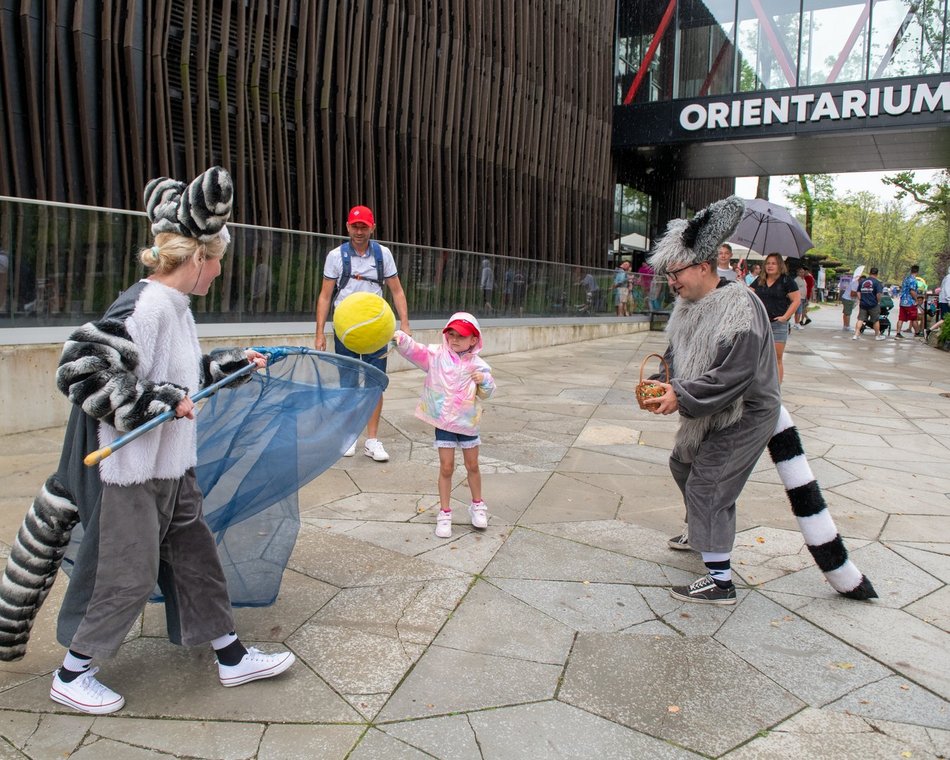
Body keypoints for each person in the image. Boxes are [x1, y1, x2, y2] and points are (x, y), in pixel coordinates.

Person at [44, 167, 294, 715]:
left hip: (171, 465)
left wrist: (228, 365)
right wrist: (154, 400)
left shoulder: (178, 310)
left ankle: (230, 656)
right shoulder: (148, 305)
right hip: (126, 471)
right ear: (201, 257)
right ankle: (72, 672)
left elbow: (179, 375)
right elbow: (80, 368)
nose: (221, 269)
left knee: (194, 558)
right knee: (126, 572)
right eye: (220, 258)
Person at [643, 196, 781, 605]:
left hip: (746, 411)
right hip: (710, 404)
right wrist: (660, 382)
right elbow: (676, 356)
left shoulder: (740, 305)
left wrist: (680, 396)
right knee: (682, 462)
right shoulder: (687, 305)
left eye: (676, 272)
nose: (672, 281)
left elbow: (735, 374)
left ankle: (721, 581)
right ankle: (699, 529)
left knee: (710, 483)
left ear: (703, 267)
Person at [314, 205, 410, 461]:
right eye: (355, 226)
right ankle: (348, 436)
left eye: (363, 227)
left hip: (376, 331)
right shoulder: (335, 256)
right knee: (347, 384)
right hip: (345, 331)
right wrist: (320, 332)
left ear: (372, 228)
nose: (359, 231)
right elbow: (325, 296)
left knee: (375, 384)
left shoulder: (383, 255)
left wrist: (405, 324)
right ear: (347, 227)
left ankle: (373, 440)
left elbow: (397, 291)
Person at [393, 313, 496, 538]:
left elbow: (488, 393)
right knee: (446, 467)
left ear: (474, 340)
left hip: (467, 423)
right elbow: (415, 350)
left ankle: (477, 505)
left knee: (473, 466)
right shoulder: (436, 356)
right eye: (451, 334)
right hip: (444, 421)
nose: (455, 339)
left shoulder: (479, 365)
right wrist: (401, 338)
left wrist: (485, 381)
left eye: (462, 336)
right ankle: (445, 512)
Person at [750, 253, 800, 383]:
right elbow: (749, 294)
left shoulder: (786, 281)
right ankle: (760, 386)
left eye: (773, 263)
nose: (770, 266)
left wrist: (785, 317)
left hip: (777, 325)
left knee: (776, 358)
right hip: (759, 323)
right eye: (768, 263)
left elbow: (796, 300)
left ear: (780, 265)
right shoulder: (760, 280)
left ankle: (776, 388)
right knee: (758, 356)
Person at [853, 266, 886, 341]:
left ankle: (856, 334)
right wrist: (878, 301)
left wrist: (861, 299)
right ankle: (877, 335)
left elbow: (858, 292)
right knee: (875, 320)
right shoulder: (877, 283)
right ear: (877, 274)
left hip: (863, 304)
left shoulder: (863, 281)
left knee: (860, 319)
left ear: (869, 272)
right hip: (873, 304)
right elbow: (878, 294)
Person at [895, 265, 920, 338]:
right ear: (917, 271)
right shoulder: (913, 280)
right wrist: (916, 300)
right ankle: (917, 333)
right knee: (914, 319)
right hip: (910, 302)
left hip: (903, 301)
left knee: (901, 318)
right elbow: (912, 291)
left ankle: (898, 333)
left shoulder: (906, 279)